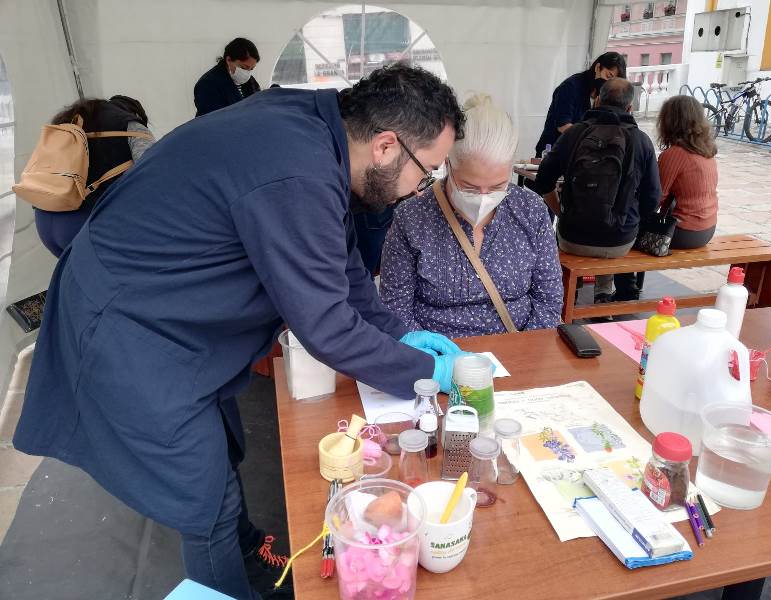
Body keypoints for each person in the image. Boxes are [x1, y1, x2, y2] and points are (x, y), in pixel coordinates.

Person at [14, 64, 468, 600]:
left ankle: (249, 557)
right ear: (387, 145)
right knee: (203, 499)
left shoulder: (318, 130)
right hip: (130, 332)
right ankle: (228, 585)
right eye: (428, 172)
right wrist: (425, 372)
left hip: (165, 312)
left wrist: (397, 334)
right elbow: (327, 327)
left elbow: (341, 268)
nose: (422, 190)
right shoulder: (297, 171)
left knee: (224, 453)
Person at [380, 94, 563, 336]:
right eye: (470, 187)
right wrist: (433, 357)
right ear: (448, 164)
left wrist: (523, 356)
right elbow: (395, 308)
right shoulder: (412, 217)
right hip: (436, 357)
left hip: (517, 351)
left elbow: (548, 301)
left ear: (511, 169)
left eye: (498, 186)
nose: (483, 197)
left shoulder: (530, 210)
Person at [533, 78, 660, 303]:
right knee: (613, 226)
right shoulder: (641, 141)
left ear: (597, 100)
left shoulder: (573, 135)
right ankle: (603, 291)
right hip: (620, 242)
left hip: (572, 237)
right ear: (629, 108)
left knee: (585, 228)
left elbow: (543, 182)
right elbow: (652, 200)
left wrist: (562, 213)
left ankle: (570, 296)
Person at [34, 95, 155, 257]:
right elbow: (155, 178)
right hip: (84, 226)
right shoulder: (131, 124)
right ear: (137, 114)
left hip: (45, 221)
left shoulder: (71, 118)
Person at [535, 52, 627, 157]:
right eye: (608, 76)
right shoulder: (571, 86)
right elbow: (563, 126)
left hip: (580, 155)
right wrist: (592, 138)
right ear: (598, 67)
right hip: (553, 152)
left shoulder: (604, 95)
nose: (608, 83)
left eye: (613, 81)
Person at [656, 95, 718, 249]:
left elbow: (657, 196)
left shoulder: (674, 154)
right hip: (708, 228)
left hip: (683, 231)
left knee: (626, 234)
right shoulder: (706, 150)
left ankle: (627, 274)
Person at [194, 37, 261, 117]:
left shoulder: (251, 81)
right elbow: (211, 120)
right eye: (243, 68)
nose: (247, 73)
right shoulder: (208, 84)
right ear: (228, 60)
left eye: (251, 69)